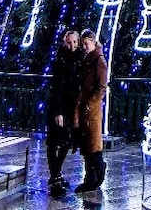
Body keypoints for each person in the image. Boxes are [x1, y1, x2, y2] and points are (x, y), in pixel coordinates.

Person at [46, 30, 83, 193]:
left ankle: (56, 173)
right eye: (70, 42)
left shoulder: (80, 59)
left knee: (67, 141)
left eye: (75, 42)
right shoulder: (60, 61)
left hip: (71, 107)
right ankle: (55, 176)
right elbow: (57, 88)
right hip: (59, 106)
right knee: (54, 142)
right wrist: (58, 111)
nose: (72, 45)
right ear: (64, 43)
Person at [73, 29, 108, 194]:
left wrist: (90, 102)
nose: (84, 47)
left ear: (94, 42)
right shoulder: (87, 60)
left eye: (87, 43)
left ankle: (96, 175)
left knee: (93, 144)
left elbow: (102, 87)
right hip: (84, 106)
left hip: (91, 109)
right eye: (83, 44)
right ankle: (91, 176)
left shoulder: (99, 61)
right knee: (87, 144)